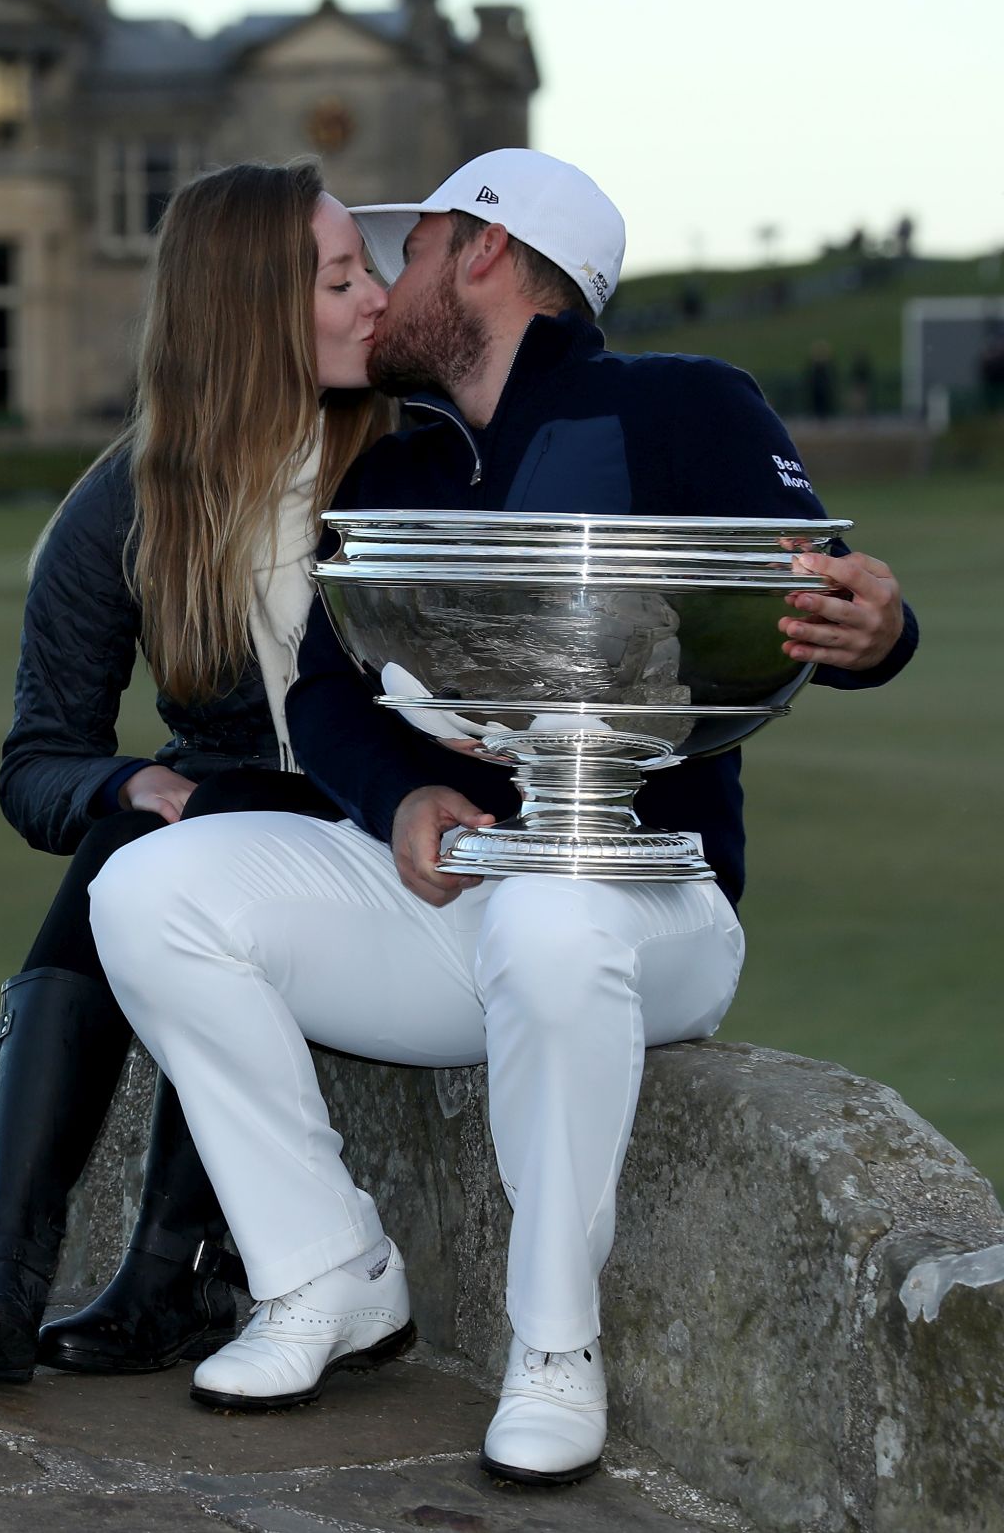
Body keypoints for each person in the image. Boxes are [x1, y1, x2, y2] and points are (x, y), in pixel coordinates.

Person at [88, 150, 918, 1482]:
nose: (380, 292)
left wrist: (882, 627)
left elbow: (810, 592)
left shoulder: (686, 404)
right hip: (451, 902)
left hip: (646, 909)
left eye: (407, 253)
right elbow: (324, 687)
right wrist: (402, 790)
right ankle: (326, 1267)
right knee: (149, 887)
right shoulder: (390, 468)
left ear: (483, 251)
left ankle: (554, 1347)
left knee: (544, 913)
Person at [0, 160, 391, 1382]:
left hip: (385, 836)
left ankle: (168, 1272)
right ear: (249, 311)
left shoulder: (418, 459)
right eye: (342, 278)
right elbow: (36, 762)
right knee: (153, 830)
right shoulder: (126, 505)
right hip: (212, 834)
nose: (377, 299)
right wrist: (123, 784)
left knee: (211, 834)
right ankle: (6, 1267)